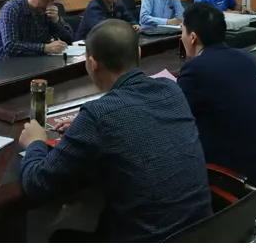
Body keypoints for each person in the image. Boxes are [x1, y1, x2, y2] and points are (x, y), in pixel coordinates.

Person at [19, 19, 212, 242]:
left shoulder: (98, 115)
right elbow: (137, 123)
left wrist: (35, 142)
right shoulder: (171, 89)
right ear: (138, 53)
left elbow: (38, 183)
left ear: (92, 63)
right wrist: (86, 129)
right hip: (207, 232)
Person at [177, 2, 256, 189]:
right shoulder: (247, 58)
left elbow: (176, 116)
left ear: (192, 37)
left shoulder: (197, 68)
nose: (181, 36)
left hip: (233, 178)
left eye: (182, 30)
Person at [0, 0, 73, 60]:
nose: (48, 5)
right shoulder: (11, 9)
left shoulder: (48, 11)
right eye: (44, 0)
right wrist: (45, 48)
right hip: (6, 63)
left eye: (52, 1)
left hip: (36, 61)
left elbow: (69, 39)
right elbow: (11, 46)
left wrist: (56, 20)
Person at [74, 0, 141, 41]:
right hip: (86, 44)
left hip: (109, 40)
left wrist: (134, 25)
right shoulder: (93, 8)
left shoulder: (118, 2)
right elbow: (104, 31)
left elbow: (128, 18)